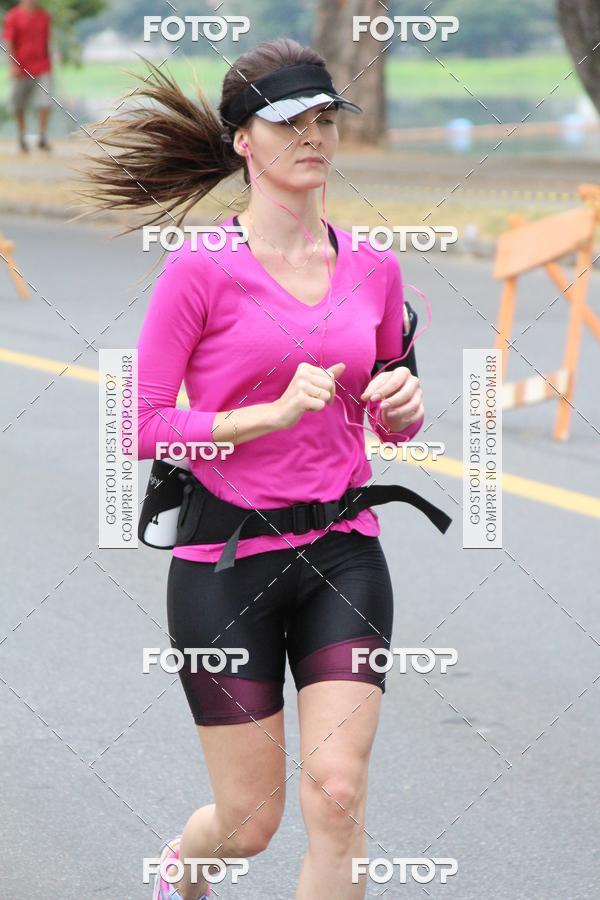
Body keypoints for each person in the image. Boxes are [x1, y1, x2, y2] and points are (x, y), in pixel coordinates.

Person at [82, 38, 441, 900]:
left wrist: (403, 407)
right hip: (224, 563)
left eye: (325, 120)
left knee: (339, 793)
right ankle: (183, 868)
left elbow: (388, 397)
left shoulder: (374, 268)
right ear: (244, 140)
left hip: (343, 550)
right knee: (248, 824)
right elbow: (139, 428)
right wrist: (266, 416)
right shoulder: (198, 272)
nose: (314, 137)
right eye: (290, 124)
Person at [2, 0, 52, 153]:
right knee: (19, 105)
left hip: (42, 66)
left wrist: (50, 62)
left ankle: (42, 136)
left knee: (45, 102)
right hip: (21, 67)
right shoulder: (12, 16)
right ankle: (21, 137)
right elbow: (9, 41)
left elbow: (46, 41)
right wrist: (12, 65)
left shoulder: (43, 16)